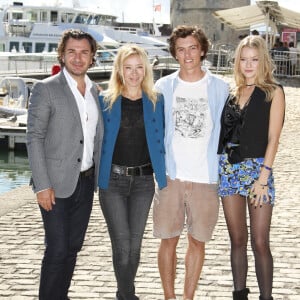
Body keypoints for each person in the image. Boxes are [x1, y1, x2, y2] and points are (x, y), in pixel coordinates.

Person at [152, 25, 229, 300]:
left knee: (197, 242)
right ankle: (169, 297)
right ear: (174, 53)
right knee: (168, 240)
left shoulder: (220, 87)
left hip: (206, 178)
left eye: (192, 48)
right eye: (181, 49)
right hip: (171, 176)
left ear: (202, 50)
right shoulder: (162, 86)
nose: (187, 54)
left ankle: (188, 297)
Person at [26, 29, 104, 300]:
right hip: (55, 183)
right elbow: (34, 138)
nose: (78, 58)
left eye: (84, 52)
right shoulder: (46, 89)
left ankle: (61, 295)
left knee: (72, 247)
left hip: (85, 182)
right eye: (72, 52)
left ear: (92, 57)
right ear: (62, 54)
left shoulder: (96, 91)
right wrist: (42, 184)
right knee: (57, 249)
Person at [217, 35, 285, 300]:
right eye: (243, 59)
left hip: (259, 171)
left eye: (254, 60)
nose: (248, 65)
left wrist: (263, 178)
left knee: (259, 241)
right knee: (237, 241)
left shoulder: (273, 91)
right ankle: (239, 295)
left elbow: (273, 139)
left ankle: (266, 297)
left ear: (263, 61)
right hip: (229, 169)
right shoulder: (231, 92)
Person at [98, 44, 167, 300]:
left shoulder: (156, 101)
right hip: (112, 183)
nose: (134, 73)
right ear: (119, 70)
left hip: (144, 183)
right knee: (123, 244)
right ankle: (127, 295)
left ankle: (123, 293)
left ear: (146, 70)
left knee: (135, 246)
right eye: (128, 68)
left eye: (139, 67)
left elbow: (165, 139)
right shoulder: (105, 100)